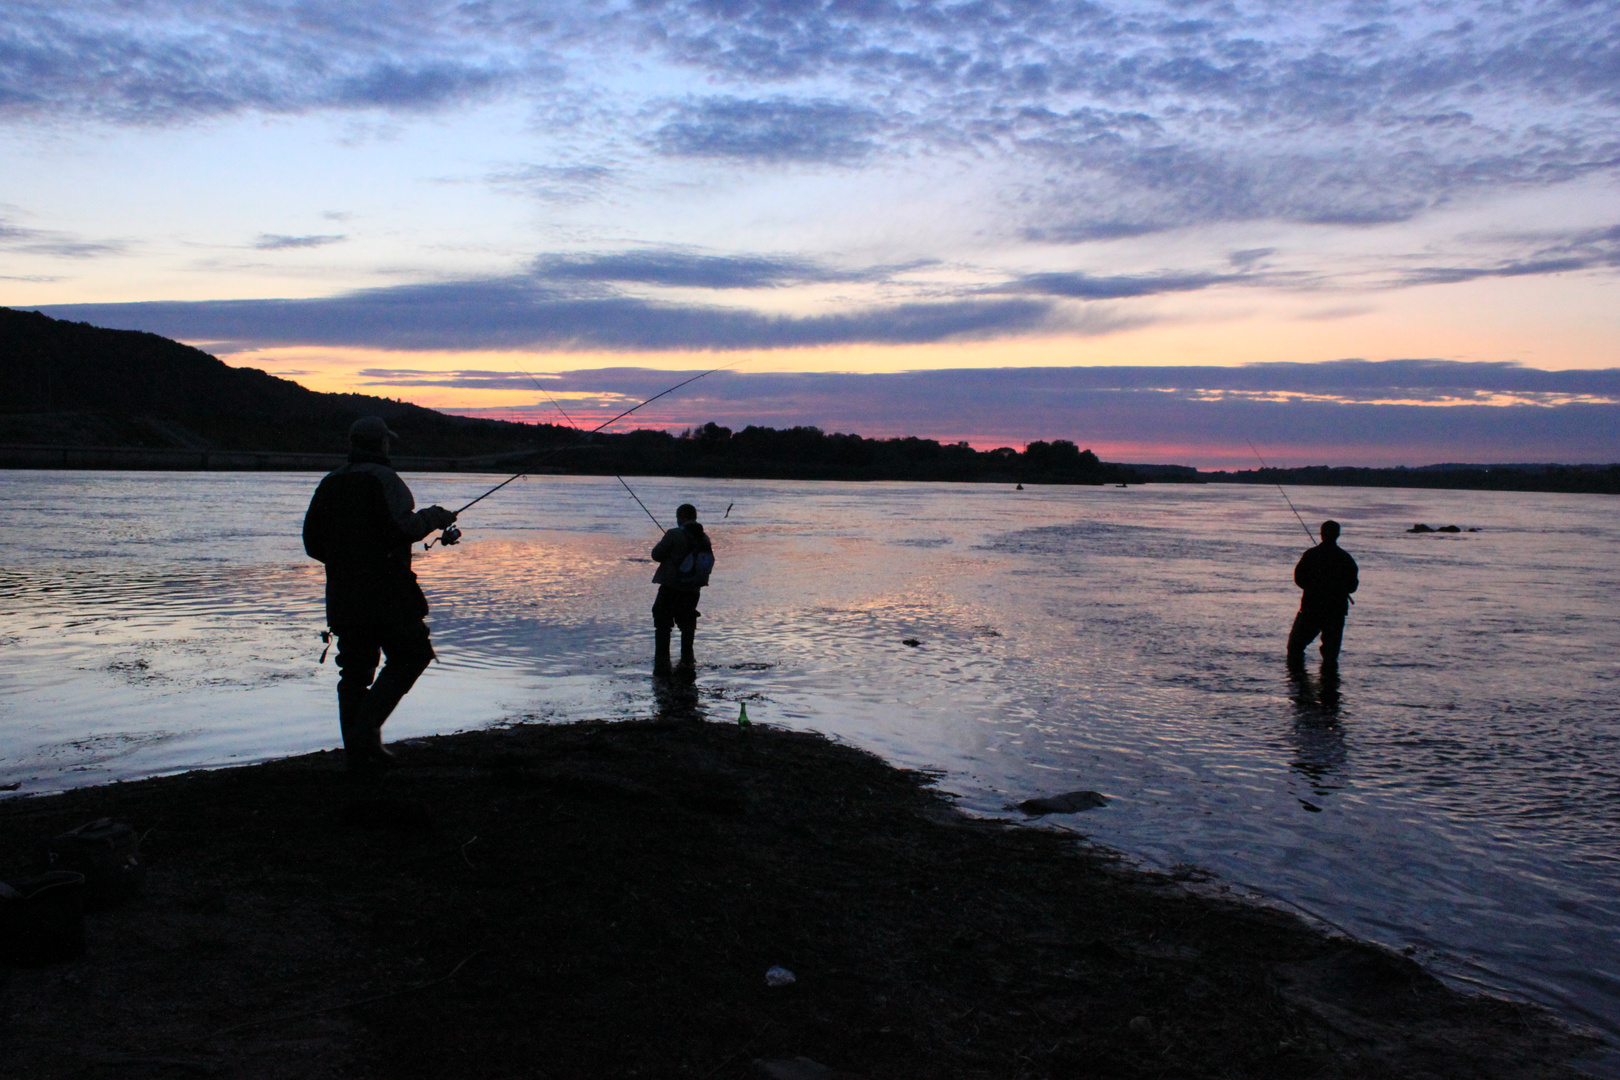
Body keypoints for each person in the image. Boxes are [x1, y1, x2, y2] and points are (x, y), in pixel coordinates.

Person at [302, 416, 457, 771]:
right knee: (412, 654)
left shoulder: (329, 482)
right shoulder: (387, 480)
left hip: (343, 592)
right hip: (388, 591)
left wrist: (347, 559)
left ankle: (358, 752)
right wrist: (434, 515)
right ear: (382, 444)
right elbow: (403, 528)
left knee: (355, 670)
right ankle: (364, 733)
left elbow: (312, 543)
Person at [650, 503, 714, 679]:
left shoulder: (673, 534)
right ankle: (687, 660)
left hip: (671, 587)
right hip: (693, 589)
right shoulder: (704, 538)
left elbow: (656, 555)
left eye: (678, 517)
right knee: (687, 623)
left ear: (681, 517)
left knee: (662, 622)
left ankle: (662, 663)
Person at [1287, 519, 1359, 668]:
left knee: (1295, 647)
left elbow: (1299, 578)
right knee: (1331, 655)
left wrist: (1313, 588)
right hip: (1336, 611)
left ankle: (1299, 685)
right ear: (1338, 535)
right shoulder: (1346, 558)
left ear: (1321, 535)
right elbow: (1353, 586)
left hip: (1312, 608)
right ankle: (1330, 687)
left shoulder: (1311, 554)